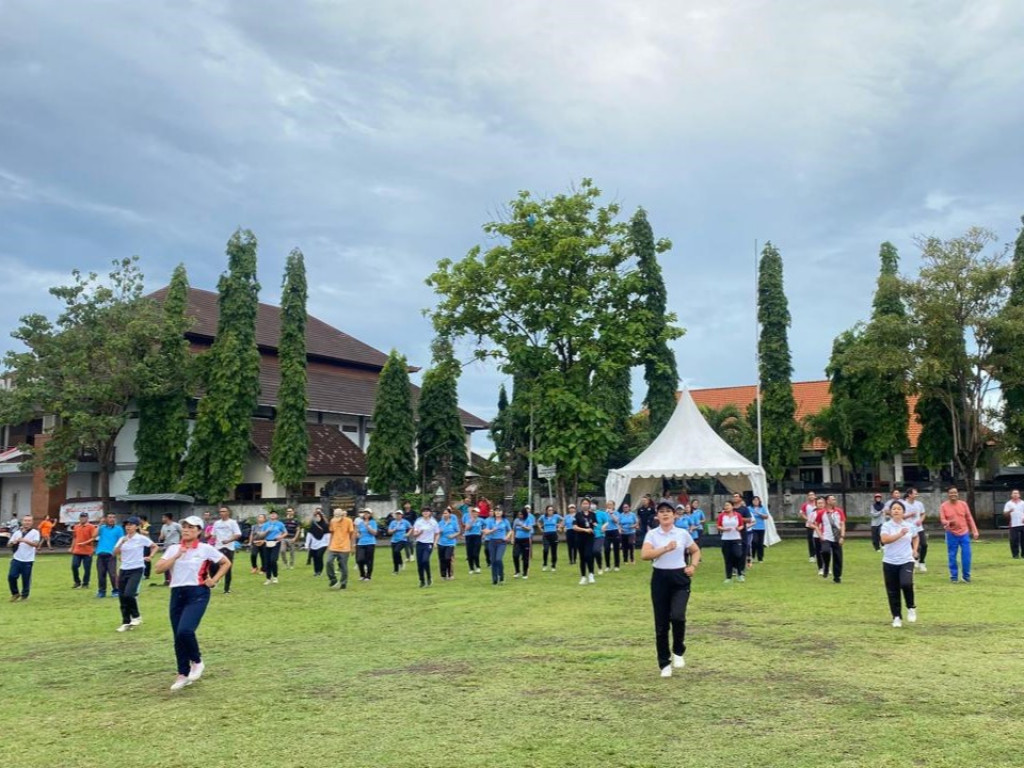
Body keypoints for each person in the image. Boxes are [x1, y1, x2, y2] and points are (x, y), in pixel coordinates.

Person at [153, 515, 231, 691]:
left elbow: (225, 563)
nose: (187, 530)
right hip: (177, 592)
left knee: (185, 630)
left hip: (197, 592)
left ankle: (197, 661)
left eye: (192, 527)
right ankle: (183, 674)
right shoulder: (173, 548)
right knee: (177, 636)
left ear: (199, 531)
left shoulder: (205, 549)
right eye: (185, 526)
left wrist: (215, 580)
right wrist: (176, 556)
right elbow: (158, 569)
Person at [642, 500, 701, 677]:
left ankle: (678, 650)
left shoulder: (682, 533)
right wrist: (665, 548)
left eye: (668, 511)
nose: (665, 514)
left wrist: (693, 566)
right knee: (661, 624)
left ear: (674, 514)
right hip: (660, 578)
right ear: (657, 516)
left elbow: (695, 550)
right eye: (661, 511)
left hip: (679, 578)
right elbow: (645, 555)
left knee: (678, 616)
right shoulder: (652, 534)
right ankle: (664, 663)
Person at [112, 516, 154, 632]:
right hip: (124, 569)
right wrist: (121, 544)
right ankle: (126, 622)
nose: (128, 527)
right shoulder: (122, 539)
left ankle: (136, 616)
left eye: (131, 525)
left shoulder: (141, 538)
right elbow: (114, 553)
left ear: (136, 527)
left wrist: (150, 556)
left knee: (129, 594)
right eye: (127, 525)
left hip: (137, 568)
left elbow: (154, 546)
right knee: (122, 597)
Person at [881, 500, 918, 628]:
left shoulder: (910, 526)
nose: (896, 511)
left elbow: (915, 536)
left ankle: (911, 607)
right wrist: (900, 534)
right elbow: (885, 540)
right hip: (889, 561)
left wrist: (914, 550)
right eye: (894, 509)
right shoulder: (886, 526)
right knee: (893, 590)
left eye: (899, 509)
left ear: (903, 512)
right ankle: (896, 617)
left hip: (906, 560)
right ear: (890, 512)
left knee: (906, 583)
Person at [939, 486, 979, 583]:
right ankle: (954, 577)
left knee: (967, 554)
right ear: (948, 494)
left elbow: (969, 518)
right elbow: (942, 519)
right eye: (951, 493)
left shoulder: (963, 504)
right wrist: (947, 522)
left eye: (955, 492)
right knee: (952, 555)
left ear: (958, 494)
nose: (953, 494)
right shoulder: (943, 506)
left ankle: (966, 576)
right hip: (951, 534)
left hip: (964, 533)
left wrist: (974, 530)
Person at [8, 516, 40, 602]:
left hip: (28, 560)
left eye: (29, 521)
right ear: (22, 522)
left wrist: (24, 540)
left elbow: (36, 544)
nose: (27, 522)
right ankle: (15, 593)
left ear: (32, 522)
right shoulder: (17, 532)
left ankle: (24, 595)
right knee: (11, 576)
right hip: (16, 558)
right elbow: (9, 544)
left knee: (26, 578)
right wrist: (13, 542)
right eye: (25, 520)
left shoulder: (35, 532)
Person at [815, 495, 846, 583]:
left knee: (838, 557)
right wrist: (820, 535)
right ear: (827, 501)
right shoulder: (821, 513)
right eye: (832, 499)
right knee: (825, 551)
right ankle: (826, 566)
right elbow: (816, 525)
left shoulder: (839, 511)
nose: (834, 501)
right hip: (826, 537)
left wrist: (842, 536)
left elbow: (842, 524)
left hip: (837, 537)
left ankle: (837, 577)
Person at [211, 507, 242, 593]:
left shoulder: (232, 522)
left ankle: (227, 589)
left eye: (224, 511)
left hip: (228, 547)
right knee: (213, 565)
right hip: (218, 547)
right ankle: (215, 580)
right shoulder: (217, 523)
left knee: (228, 568)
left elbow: (238, 534)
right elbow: (213, 535)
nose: (222, 513)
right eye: (220, 511)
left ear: (228, 513)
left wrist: (228, 540)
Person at [95, 512, 124, 599]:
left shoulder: (118, 529)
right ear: (106, 519)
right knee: (101, 574)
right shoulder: (102, 528)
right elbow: (94, 535)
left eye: (113, 517)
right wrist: (99, 524)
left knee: (113, 574)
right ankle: (101, 591)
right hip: (100, 554)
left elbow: (122, 542)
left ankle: (116, 590)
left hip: (111, 554)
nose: (112, 519)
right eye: (110, 517)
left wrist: (120, 553)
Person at [326, 508, 356, 590]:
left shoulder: (348, 521)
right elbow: (332, 533)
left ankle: (343, 583)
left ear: (342, 515)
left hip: (344, 547)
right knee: (328, 562)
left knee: (343, 566)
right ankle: (333, 579)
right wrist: (329, 545)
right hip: (333, 546)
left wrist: (353, 546)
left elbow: (352, 534)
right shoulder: (332, 521)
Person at [717, 501, 745, 584]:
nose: (726, 507)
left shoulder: (738, 515)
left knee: (738, 555)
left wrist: (739, 528)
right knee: (728, 558)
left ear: (732, 506)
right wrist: (724, 529)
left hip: (736, 538)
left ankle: (740, 574)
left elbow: (741, 525)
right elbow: (718, 526)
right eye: (725, 505)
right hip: (726, 539)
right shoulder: (721, 516)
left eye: (728, 505)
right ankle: (728, 577)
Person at [411, 507, 440, 588]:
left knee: (425, 560)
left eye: (427, 511)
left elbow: (437, 533)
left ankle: (429, 577)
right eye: (424, 511)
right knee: (420, 563)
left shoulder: (433, 522)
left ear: (430, 512)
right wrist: (419, 533)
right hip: (419, 543)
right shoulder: (419, 522)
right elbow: (414, 534)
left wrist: (435, 543)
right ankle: (422, 580)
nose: (425, 513)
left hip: (428, 543)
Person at [482, 508, 512, 585]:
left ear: (502, 512)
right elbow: (485, 531)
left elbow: (510, 530)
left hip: (501, 543)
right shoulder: (491, 521)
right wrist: (492, 530)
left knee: (498, 559)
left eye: (500, 510)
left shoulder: (505, 521)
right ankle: (494, 579)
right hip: (492, 542)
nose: (498, 512)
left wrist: (507, 537)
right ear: (494, 512)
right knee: (493, 561)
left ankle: (501, 575)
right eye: (496, 511)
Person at [904, 488, 928, 573]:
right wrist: (909, 515)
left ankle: (922, 562)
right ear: (909, 495)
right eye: (915, 494)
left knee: (924, 545)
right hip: (909, 529)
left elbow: (923, 514)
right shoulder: (903, 504)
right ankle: (914, 560)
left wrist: (921, 520)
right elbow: (900, 516)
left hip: (919, 528)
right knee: (913, 547)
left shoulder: (919, 504)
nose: (916, 495)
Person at [70, 512, 97, 590]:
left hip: (87, 551)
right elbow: (74, 537)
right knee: (74, 566)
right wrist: (72, 547)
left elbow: (93, 538)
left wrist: (84, 543)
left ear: (87, 518)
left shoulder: (91, 527)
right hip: (77, 550)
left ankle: (85, 583)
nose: (83, 518)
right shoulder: (76, 527)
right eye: (81, 517)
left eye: (84, 517)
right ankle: (77, 581)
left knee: (87, 568)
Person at [260, 510, 288, 585]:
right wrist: (266, 532)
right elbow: (261, 534)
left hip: (276, 542)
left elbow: (286, 532)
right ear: (269, 516)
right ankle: (268, 578)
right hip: (267, 542)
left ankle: (275, 576)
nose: (272, 515)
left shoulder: (280, 524)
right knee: (267, 561)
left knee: (273, 560)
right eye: (271, 514)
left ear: (277, 516)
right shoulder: (266, 524)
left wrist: (281, 536)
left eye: (274, 514)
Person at [573, 501, 597, 585]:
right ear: (581, 505)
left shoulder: (592, 514)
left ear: (589, 505)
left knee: (588, 555)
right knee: (582, 557)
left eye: (587, 504)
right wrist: (585, 530)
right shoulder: (578, 515)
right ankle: (583, 576)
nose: (585, 505)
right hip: (580, 538)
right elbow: (575, 527)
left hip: (590, 538)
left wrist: (596, 526)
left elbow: (595, 523)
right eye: (583, 503)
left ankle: (591, 574)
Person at [155, 513, 183, 587]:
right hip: (166, 547)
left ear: (167, 518)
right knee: (165, 563)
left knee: (174, 563)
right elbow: (162, 536)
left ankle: (175, 579)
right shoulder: (164, 526)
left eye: (163, 517)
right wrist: (160, 538)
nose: (162, 519)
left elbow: (183, 534)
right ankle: (167, 580)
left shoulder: (176, 525)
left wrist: (181, 542)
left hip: (174, 546)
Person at [354, 509, 378, 582]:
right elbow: (357, 532)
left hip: (370, 543)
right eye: (365, 513)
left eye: (368, 513)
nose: (366, 514)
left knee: (369, 560)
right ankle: (362, 574)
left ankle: (368, 576)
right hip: (361, 543)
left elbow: (374, 533)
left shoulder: (373, 522)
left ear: (370, 514)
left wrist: (368, 526)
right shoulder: (361, 523)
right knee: (359, 559)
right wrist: (357, 534)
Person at [305, 509, 330, 577]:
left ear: (321, 517)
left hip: (323, 544)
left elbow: (327, 535)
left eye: (318, 516)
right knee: (315, 558)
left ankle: (320, 571)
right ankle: (316, 571)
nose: (317, 518)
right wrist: (307, 545)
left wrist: (328, 544)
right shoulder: (313, 525)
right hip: (314, 545)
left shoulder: (325, 525)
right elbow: (309, 535)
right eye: (316, 517)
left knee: (319, 556)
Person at [437, 507, 460, 580]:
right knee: (442, 559)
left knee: (448, 558)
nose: (445, 515)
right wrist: (438, 532)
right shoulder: (440, 523)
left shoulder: (453, 522)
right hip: (441, 543)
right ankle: (443, 575)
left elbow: (458, 531)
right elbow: (437, 533)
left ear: (450, 514)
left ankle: (450, 574)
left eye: (446, 513)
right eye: (444, 513)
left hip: (450, 543)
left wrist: (453, 535)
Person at [512, 506, 535, 579]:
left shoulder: (528, 520)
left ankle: (525, 573)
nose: (520, 516)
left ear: (524, 514)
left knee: (525, 557)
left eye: (521, 514)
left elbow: (529, 529)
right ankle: (517, 571)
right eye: (519, 514)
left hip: (525, 540)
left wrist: (522, 526)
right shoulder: (516, 520)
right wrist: (512, 538)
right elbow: (514, 530)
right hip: (517, 540)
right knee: (515, 555)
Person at [388, 510, 411, 575]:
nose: (398, 515)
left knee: (396, 551)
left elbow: (411, 528)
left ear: (402, 515)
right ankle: (396, 570)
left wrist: (408, 534)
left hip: (402, 540)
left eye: (399, 514)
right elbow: (389, 531)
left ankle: (400, 563)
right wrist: (394, 530)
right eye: (397, 514)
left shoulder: (405, 522)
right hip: (394, 540)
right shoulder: (393, 522)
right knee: (394, 555)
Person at [539, 505, 562, 571]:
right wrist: (540, 528)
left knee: (554, 551)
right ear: (546, 511)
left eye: (552, 510)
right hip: (546, 535)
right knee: (545, 550)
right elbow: (538, 521)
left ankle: (553, 565)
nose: (551, 511)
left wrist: (559, 526)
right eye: (549, 510)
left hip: (554, 535)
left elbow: (563, 520)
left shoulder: (556, 516)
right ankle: (545, 564)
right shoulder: (543, 517)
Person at [462, 507, 484, 574]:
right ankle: (471, 568)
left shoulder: (481, 520)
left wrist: (483, 534)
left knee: (476, 553)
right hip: (469, 536)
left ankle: (477, 567)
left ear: (478, 513)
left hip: (477, 536)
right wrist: (472, 522)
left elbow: (486, 527)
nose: (474, 513)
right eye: (473, 512)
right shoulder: (468, 520)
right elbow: (466, 529)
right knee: (469, 553)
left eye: (476, 512)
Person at [1004, 489, 1024, 559]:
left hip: (1022, 523)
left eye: (1017, 493)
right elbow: (1005, 514)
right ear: (1011, 495)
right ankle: (1015, 555)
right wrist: (1010, 511)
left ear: (1019, 495)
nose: (1015, 495)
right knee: (1014, 540)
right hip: (1013, 524)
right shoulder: (1008, 503)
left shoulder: (1022, 503)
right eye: (1014, 493)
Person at [748, 496, 769, 564]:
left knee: (760, 543)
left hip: (761, 528)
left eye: (757, 500)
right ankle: (752, 557)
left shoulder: (762, 508)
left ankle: (760, 558)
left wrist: (759, 513)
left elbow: (766, 517)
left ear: (759, 501)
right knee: (754, 542)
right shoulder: (749, 508)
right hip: (752, 527)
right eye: (754, 500)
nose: (755, 501)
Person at [602, 500, 622, 572]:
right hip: (607, 532)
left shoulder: (616, 513)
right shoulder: (604, 513)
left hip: (615, 531)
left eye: (610, 504)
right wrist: (602, 527)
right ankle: (607, 566)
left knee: (616, 549)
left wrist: (611, 513)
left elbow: (616, 521)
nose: (609, 506)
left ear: (613, 506)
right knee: (606, 549)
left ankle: (617, 566)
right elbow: (603, 522)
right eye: (608, 504)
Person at [799, 491, 818, 563]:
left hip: (818, 524)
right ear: (808, 497)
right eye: (810, 495)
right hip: (809, 525)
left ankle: (817, 553)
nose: (811, 496)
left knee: (818, 539)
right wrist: (808, 519)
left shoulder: (818, 503)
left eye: (813, 495)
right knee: (810, 539)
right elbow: (802, 513)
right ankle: (812, 555)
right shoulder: (805, 505)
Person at [591, 500, 607, 574]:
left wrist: (604, 526)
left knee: (596, 550)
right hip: (589, 535)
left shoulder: (601, 513)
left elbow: (607, 522)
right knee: (590, 553)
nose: (592, 506)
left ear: (596, 505)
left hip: (599, 534)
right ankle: (591, 569)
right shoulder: (588, 514)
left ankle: (600, 566)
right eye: (591, 504)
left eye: (593, 504)